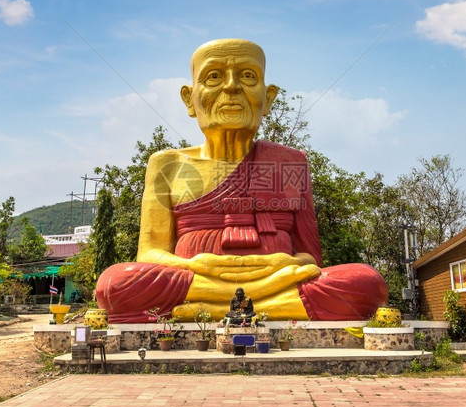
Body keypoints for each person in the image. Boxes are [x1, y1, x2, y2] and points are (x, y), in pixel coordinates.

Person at [96, 39, 387, 323]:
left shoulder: (290, 162)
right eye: (213, 76)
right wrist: (197, 265)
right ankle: (269, 305)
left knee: (367, 283)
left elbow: (310, 258)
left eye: (248, 76)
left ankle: (203, 309)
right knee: (115, 283)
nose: (232, 86)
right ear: (189, 98)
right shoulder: (168, 164)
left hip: (273, 276)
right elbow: (149, 253)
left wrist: (279, 265)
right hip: (199, 278)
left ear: (268, 98)